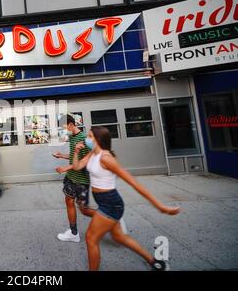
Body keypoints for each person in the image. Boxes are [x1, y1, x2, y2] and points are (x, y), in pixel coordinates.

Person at [72, 126, 180, 271]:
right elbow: (77, 166)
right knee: (119, 237)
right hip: (103, 201)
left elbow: (133, 182)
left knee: (91, 238)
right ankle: (154, 262)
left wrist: (160, 206)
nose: (87, 139)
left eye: (90, 136)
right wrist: (76, 152)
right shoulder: (93, 153)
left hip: (111, 204)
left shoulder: (107, 158)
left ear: (98, 139)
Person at [54, 115, 95, 243]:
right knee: (68, 201)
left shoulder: (83, 139)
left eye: (64, 127)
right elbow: (74, 157)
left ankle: (111, 218)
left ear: (71, 124)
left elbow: (85, 161)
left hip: (81, 180)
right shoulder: (72, 137)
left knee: (84, 209)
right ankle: (73, 233)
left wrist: (66, 168)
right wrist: (62, 156)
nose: (64, 130)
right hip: (71, 178)